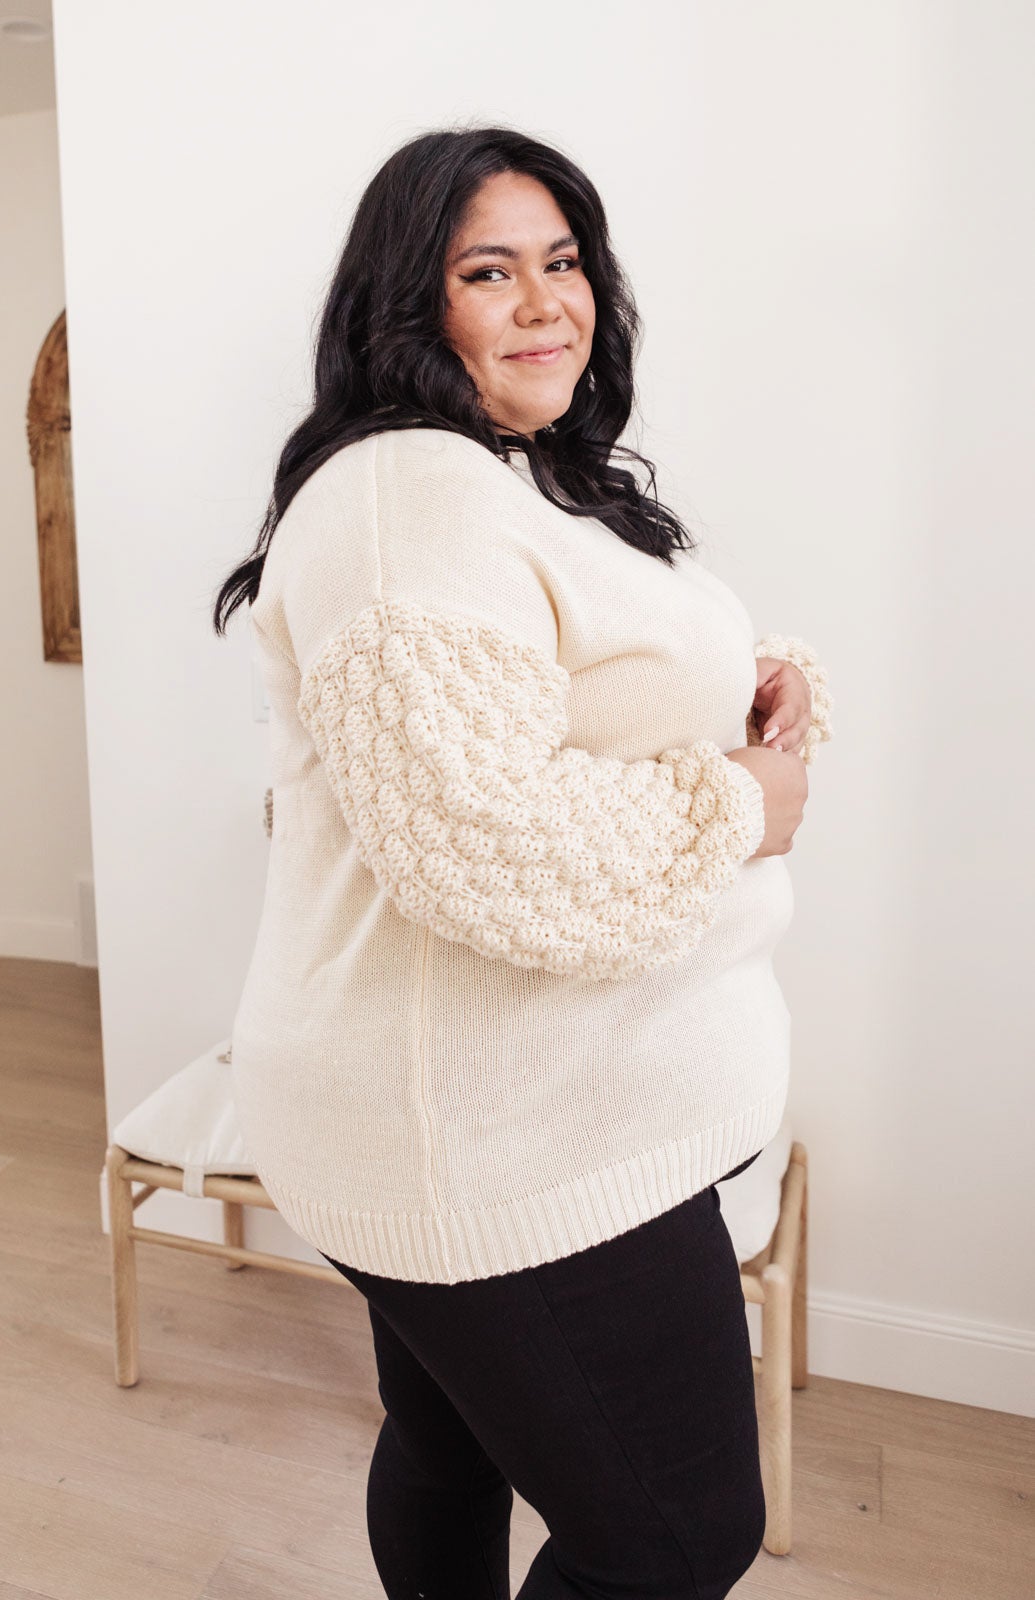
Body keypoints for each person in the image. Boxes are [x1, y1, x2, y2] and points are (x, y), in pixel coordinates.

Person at [213, 125, 833, 1600]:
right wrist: (742, 806)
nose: (548, 303)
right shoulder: (405, 495)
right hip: (505, 1142)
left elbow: (560, 683)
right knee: (675, 1542)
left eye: (564, 262)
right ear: (405, 304)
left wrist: (747, 683)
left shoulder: (520, 474)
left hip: (527, 1113)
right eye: (489, 272)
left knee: (449, 1446)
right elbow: (485, 840)